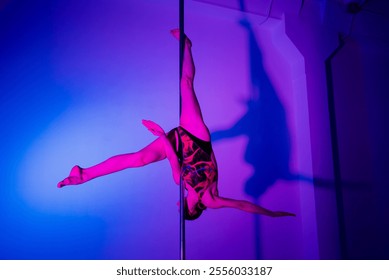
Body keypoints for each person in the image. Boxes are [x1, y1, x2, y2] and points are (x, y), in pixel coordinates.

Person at [57, 29, 295, 220]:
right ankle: (187, 44)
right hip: (197, 137)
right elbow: (242, 205)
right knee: (186, 85)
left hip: (177, 146)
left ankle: (85, 174)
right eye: (182, 208)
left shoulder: (180, 184)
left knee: (140, 159)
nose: (179, 204)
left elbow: (172, 158)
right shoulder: (210, 200)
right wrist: (271, 213)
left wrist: (163, 135)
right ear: (192, 210)